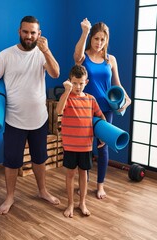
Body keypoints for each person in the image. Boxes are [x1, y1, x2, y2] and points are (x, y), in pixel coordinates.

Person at [0, 16, 60, 215]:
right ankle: (9, 196)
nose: (29, 36)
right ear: (19, 31)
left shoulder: (42, 54)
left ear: (39, 34)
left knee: (40, 159)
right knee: (11, 161)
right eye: (25, 32)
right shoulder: (5, 55)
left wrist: (47, 50)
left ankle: (43, 191)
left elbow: (56, 73)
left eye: (33, 32)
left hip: (39, 119)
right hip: (13, 120)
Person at [73, 18, 132, 199]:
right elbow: (76, 57)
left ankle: (100, 185)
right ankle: (85, 181)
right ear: (91, 38)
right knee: (85, 148)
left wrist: (127, 98)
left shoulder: (110, 60)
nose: (99, 43)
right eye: (96, 38)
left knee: (102, 147)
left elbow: (117, 84)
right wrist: (84, 31)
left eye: (102, 39)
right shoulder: (84, 57)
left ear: (107, 40)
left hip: (105, 109)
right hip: (85, 108)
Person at [56, 64, 106, 218]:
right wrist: (66, 91)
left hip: (85, 146)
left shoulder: (91, 100)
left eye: (81, 83)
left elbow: (101, 117)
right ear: (70, 81)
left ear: (87, 82)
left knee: (83, 174)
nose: (78, 87)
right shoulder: (67, 98)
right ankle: (70, 203)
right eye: (75, 83)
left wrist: (103, 134)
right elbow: (58, 110)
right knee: (70, 174)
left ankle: (82, 202)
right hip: (70, 146)